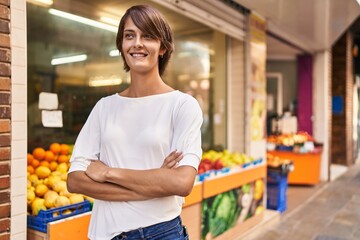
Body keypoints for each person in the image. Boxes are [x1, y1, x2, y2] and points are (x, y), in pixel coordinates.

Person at [66, 4, 203, 240]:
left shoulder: (181, 106)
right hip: (105, 234)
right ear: (121, 45)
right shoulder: (104, 108)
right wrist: (155, 183)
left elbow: (181, 182)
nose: (137, 43)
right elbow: (75, 180)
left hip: (161, 232)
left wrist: (108, 172)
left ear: (163, 48)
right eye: (130, 35)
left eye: (148, 36)